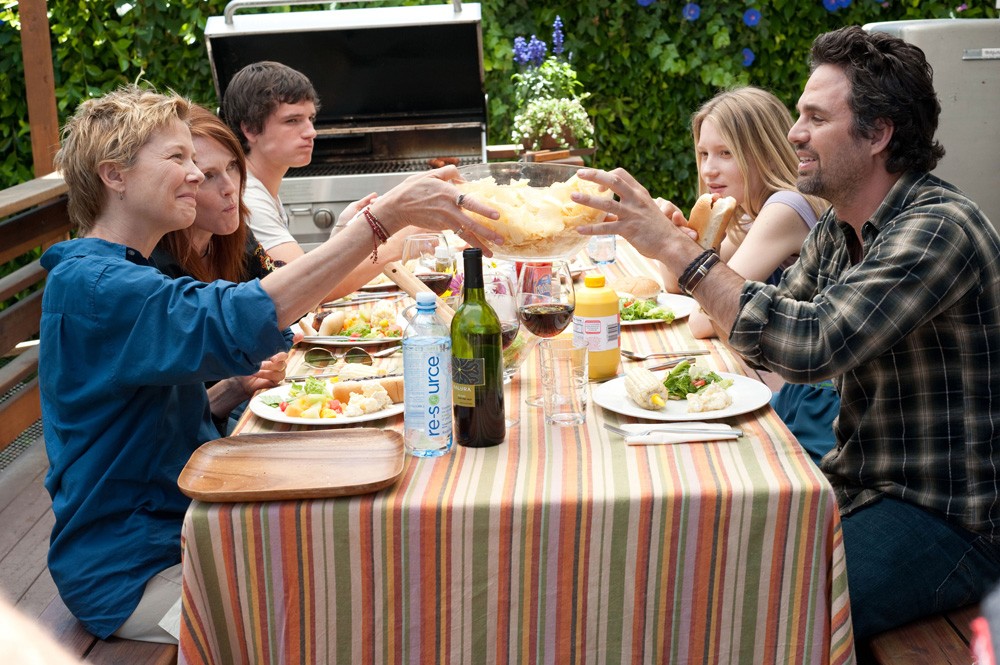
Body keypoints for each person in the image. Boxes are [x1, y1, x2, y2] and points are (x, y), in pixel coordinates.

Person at [572, 26, 1000, 640]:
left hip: (948, 518)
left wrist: (676, 249)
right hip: (857, 480)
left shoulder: (938, 228)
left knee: (760, 604)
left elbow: (810, 342)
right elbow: (763, 318)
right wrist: (692, 254)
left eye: (815, 117)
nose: (794, 132)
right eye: (798, 114)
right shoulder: (840, 225)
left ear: (877, 135)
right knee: (697, 552)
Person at [40, 85, 500, 644]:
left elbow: (140, 414)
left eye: (197, 158)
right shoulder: (99, 286)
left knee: (375, 553)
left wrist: (231, 391)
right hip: (138, 572)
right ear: (114, 176)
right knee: (365, 604)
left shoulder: (114, 274)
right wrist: (380, 222)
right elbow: (237, 318)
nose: (196, 174)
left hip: (180, 533)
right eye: (177, 158)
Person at [657, 87, 838, 465]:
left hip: (815, 406)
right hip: (782, 382)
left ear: (763, 153)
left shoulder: (785, 207)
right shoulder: (744, 213)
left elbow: (702, 318)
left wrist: (677, 251)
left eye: (726, 153)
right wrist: (671, 240)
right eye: (704, 153)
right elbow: (681, 287)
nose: (709, 169)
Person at [220, 60, 425, 296]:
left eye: (310, 119)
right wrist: (398, 243)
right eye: (292, 120)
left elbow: (305, 272)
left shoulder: (260, 188)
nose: (310, 132)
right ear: (250, 130)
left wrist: (342, 233)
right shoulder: (248, 198)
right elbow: (306, 289)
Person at [151, 104, 276, 282]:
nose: (230, 188)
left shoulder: (234, 235)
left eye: (232, 165)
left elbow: (283, 292)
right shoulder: (154, 262)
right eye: (207, 176)